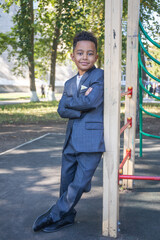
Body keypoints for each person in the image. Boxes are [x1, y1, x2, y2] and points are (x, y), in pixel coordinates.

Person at [33, 31, 105, 233]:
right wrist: (81, 105)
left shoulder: (99, 76)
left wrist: (75, 103)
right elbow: (61, 110)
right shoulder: (68, 83)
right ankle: (67, 216)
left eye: (90, 53)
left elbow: (91, 101)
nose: (85, 57)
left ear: (96, 57)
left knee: (79, 183)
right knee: (66, 181)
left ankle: (54, 213)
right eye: (80, 53)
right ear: (72, 56)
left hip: (91, 140)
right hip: (71, 140)